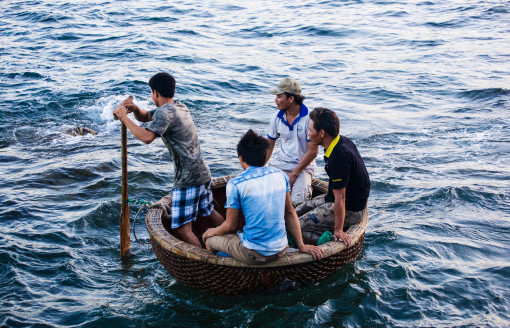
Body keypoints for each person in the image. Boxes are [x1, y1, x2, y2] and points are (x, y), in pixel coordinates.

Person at [113, 72, 224, 248]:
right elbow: (146, 116)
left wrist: (124, 117)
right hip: (202, 172)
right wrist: (134, 109)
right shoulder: (178, 107)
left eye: (151, 92)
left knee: (181, 229)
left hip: (187, 179)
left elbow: (147, 137)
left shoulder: (164, 113)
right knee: (208, 210)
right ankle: (233, 236)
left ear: (155, 92)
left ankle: (206, 259)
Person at [202, 129, 323, 265]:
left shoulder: (236, 184)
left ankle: (231, 266)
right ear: (265, 155)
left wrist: (210, 232)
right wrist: (301, 245)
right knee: (232, 236)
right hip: (281, 248)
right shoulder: (280, 175)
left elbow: (231, 225)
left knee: (210, 240)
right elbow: (290, 212)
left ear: (241, 158)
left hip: (254, 253)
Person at [296, 107, 370, 246]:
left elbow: (340, 198)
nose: (308, 133)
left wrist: (338, 229)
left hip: (351, 208)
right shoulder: (339, 141)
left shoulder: (339, 157)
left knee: (297, 227)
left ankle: (326, 240)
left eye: (311, 130)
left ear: (322, 133)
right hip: (334, 198)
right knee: (294, 214)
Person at [266, 78, 319, 206]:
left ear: (291, 99)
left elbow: (313, 152)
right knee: (266, 195)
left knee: (298, 202)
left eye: (279, 96)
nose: (275, 100)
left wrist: (294, 174)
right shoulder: (277, 117)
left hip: (303, 167)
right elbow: (269, 146)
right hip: (280, 163)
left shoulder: (310, 118)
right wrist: (258, 168)